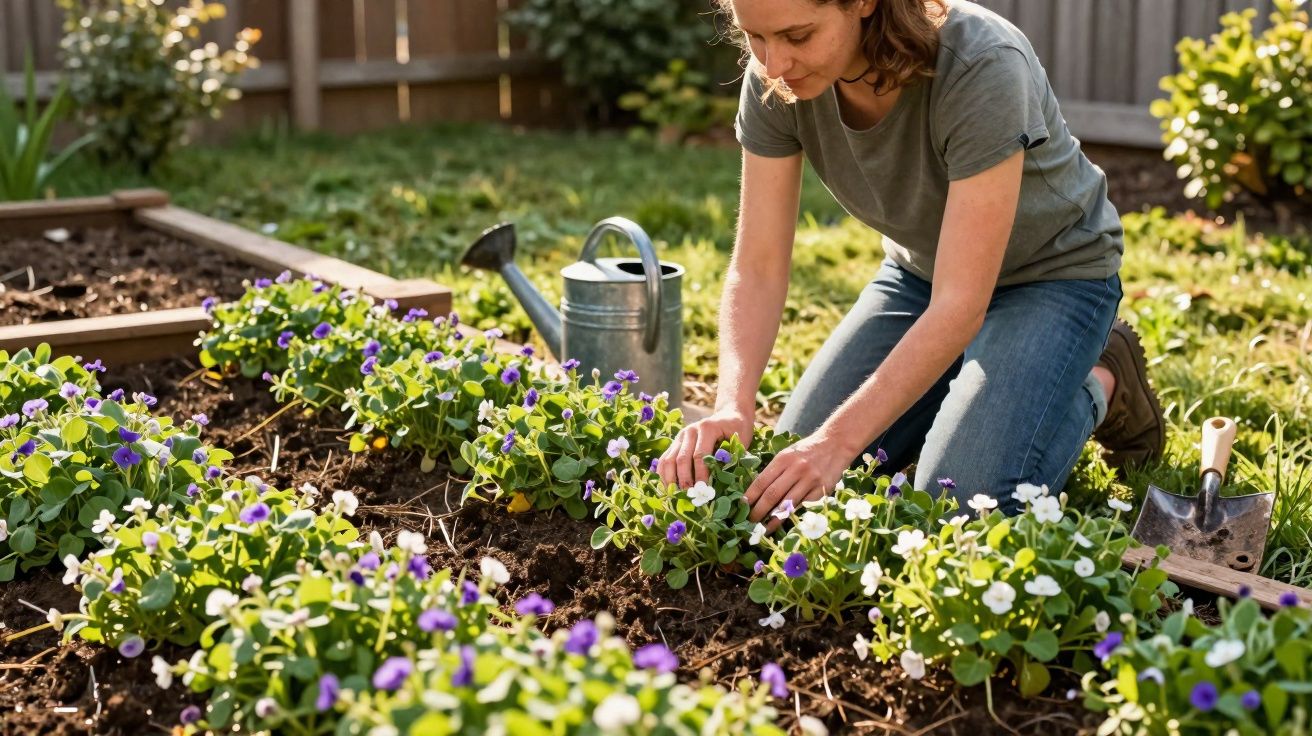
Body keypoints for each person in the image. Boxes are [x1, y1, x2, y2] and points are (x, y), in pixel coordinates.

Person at [655, 0, 1165, 530]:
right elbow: (757, 264)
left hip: (1053, 277)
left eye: (798, 36)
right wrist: (731, 404)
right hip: (922, 277)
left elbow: (961, 304)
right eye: (755, 38)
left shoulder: (981, 64)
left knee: (966, 508)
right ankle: (967, 390)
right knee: (795, 472)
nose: (775, 63)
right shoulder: (775, 77)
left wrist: (838, 441)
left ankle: (1101, 379)